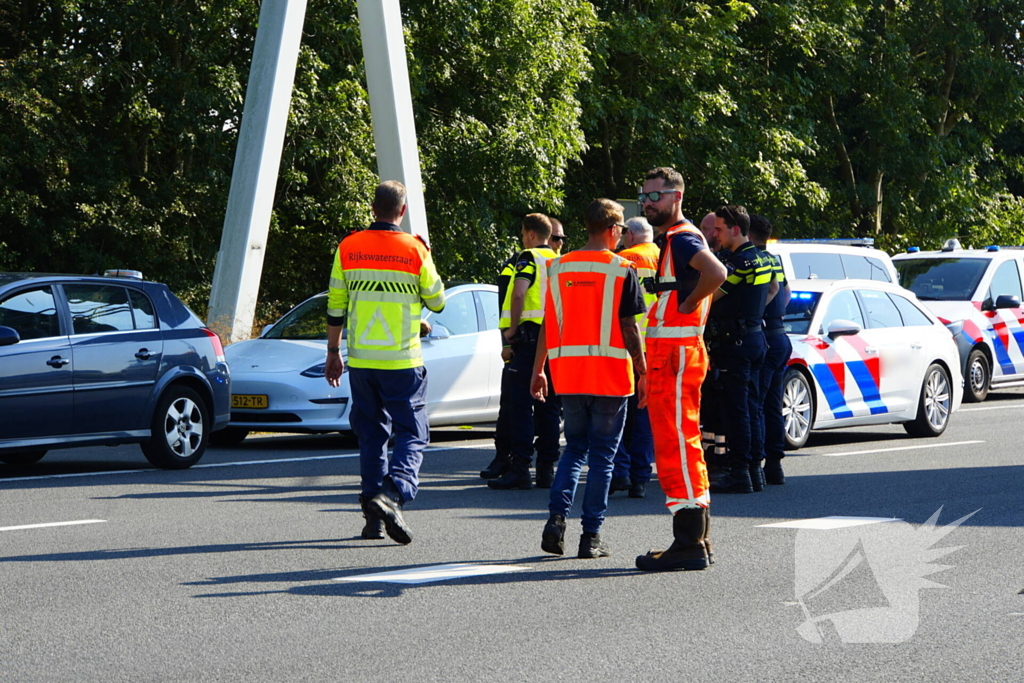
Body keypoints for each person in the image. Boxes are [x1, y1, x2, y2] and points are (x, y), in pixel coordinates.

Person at [326, 180, 446, 545]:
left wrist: (333, 352)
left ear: (373, 208)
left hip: (362, 362)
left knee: (371, 437)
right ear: (402, 211)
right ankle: (392, 494)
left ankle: (372, 521)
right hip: (402, 361)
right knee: (413, 432)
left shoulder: (349, 246)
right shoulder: (414, 249)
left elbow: (335, 305)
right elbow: (438, 300)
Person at [530, 199, 648, 558]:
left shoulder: (557, 267)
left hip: (569, 374)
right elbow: (629, 328)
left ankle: (556, 519)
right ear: (613, 230)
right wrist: (643, 372)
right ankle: (590, 537)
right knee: (603, 459)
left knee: (574, 450)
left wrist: (538, 370)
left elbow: (549, 326)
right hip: (610, 377)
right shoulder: (621, 268)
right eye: (621, 231)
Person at [635, 167, 726, 572]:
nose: (648, 203)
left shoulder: (682, 236)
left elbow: (716, 274)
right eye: (644, 197)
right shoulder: (677, 239)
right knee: (684, 441)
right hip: (677, 352)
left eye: (655, 196)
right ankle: (697, 539)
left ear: (677, 197)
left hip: (674, 353)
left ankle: (689, 542)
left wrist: (688, 307)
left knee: (676, 446)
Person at [487, 214, 562, 490]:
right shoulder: (558, 260)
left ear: (530, 234)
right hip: (554, 342)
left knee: (520, 406)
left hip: (528, 340)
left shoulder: (528, 257)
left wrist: (511, 331)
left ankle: (520, 468)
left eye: (522, 233)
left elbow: (519, 293)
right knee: (550, 408)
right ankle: (547, 470)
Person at [706, 205, 775, 494]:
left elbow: (710, 296)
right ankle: (754, 472)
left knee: (737, 410)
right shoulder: (764, 259)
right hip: (756, 336)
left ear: (736, 229)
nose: (716, 235)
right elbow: (772, 291)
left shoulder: (737, 264)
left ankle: (739, 473)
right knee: (752, 407)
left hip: (735, 342)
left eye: (720, 229)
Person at [609, 216, 659, 498]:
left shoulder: (622, 260)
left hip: (626, 345)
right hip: (659, 345)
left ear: (629, 235)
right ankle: (641, 476)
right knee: (644, 415)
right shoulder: (665, 259)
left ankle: (621, 472)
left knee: (619, 414)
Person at [748, 214, 791, 485]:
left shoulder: (753, 260)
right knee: (772, 404)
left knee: (757, 403)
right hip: (780, 336)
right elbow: (785, 294)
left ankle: (758, 463)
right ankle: (774, 465)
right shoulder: (775, 260)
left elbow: (772, 293)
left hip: (763, 336)